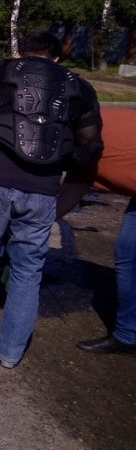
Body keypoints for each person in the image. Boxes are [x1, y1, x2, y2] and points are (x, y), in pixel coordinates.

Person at [0, 31, 103, 369]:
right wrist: (61, 165)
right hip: (43, 190)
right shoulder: (80, 87)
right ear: (57, 57)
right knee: (28, 270)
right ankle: (11, 354)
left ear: (20, 51)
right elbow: (91, 147)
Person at [56, 106, 136, 356]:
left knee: (130, 255)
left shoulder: (79, 135)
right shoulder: (83, 127)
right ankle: (128, 334)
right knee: (128, 251)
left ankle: (128, 336)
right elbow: (73, 188)